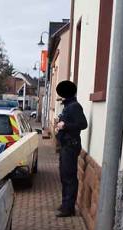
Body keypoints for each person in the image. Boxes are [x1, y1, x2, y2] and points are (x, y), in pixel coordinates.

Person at [54, 80, 87, 218]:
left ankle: (69, 208)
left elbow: (83, 124)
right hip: (66, 145)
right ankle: (65, 204)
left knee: (69, 177)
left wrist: (64, 126)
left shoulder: (74, 106)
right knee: (64, 176)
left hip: (70, 145)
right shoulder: (68, 106)